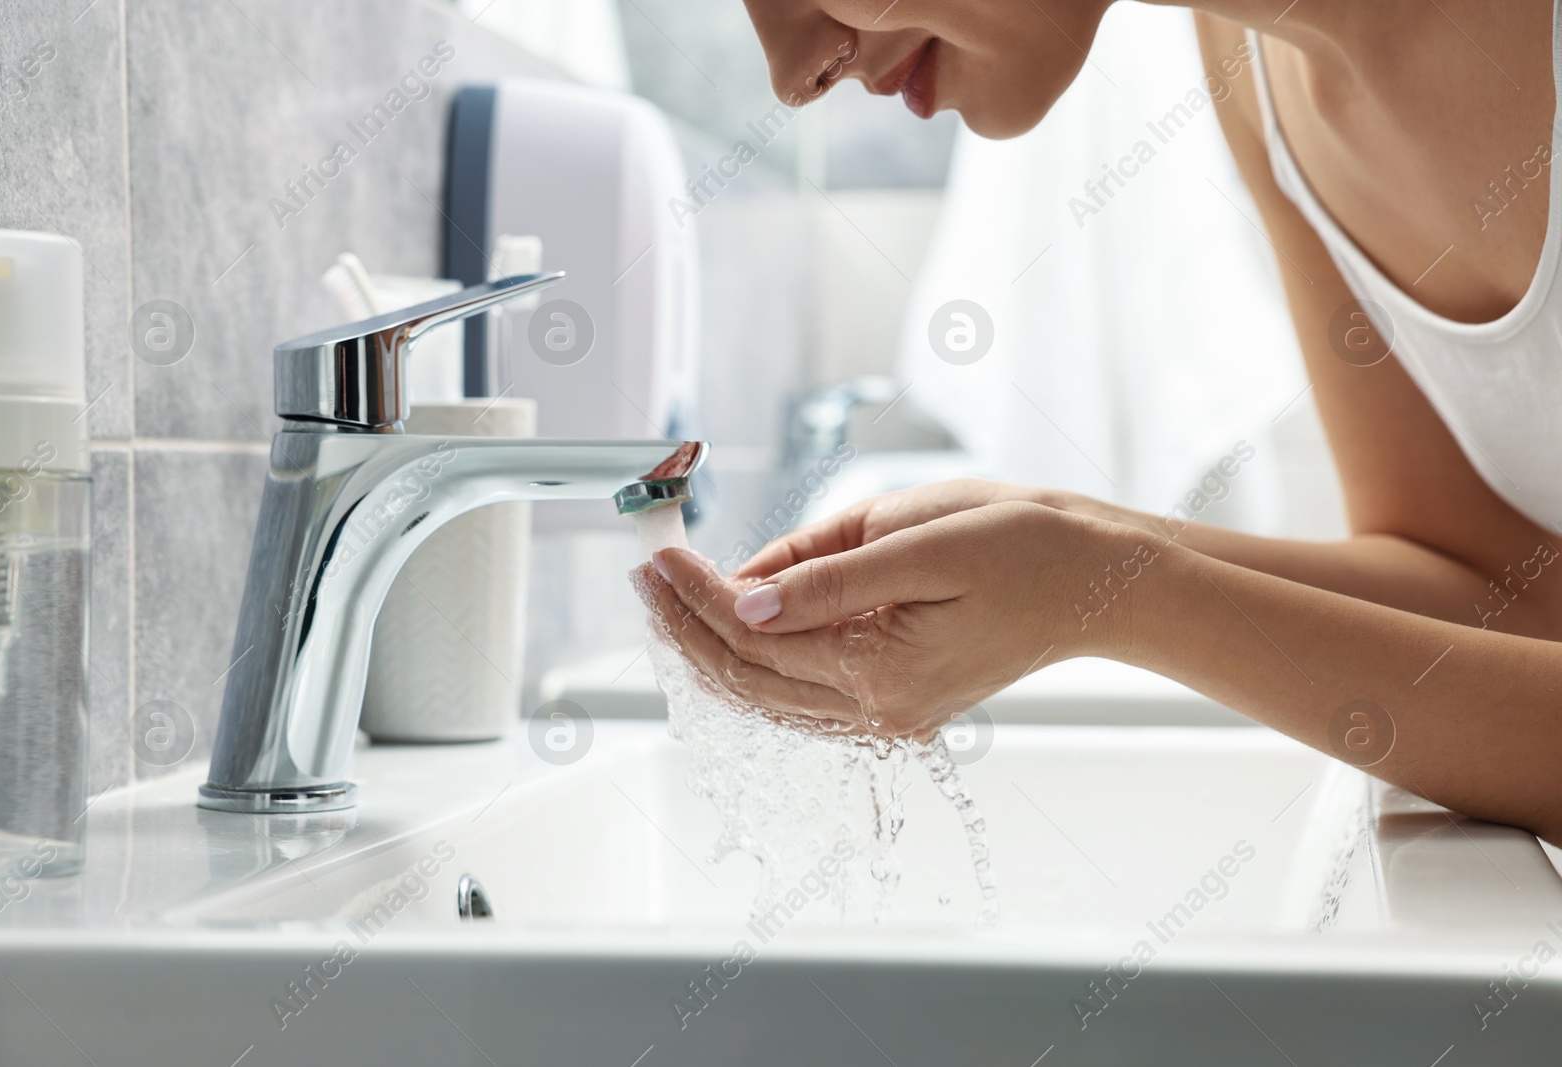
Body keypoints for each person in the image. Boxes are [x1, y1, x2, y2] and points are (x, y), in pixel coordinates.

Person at [647, 0, 1562, 846]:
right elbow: (1504, 595)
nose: (792, 74)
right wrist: (1071, 545)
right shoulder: (1256, 57)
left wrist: (1119, 596)